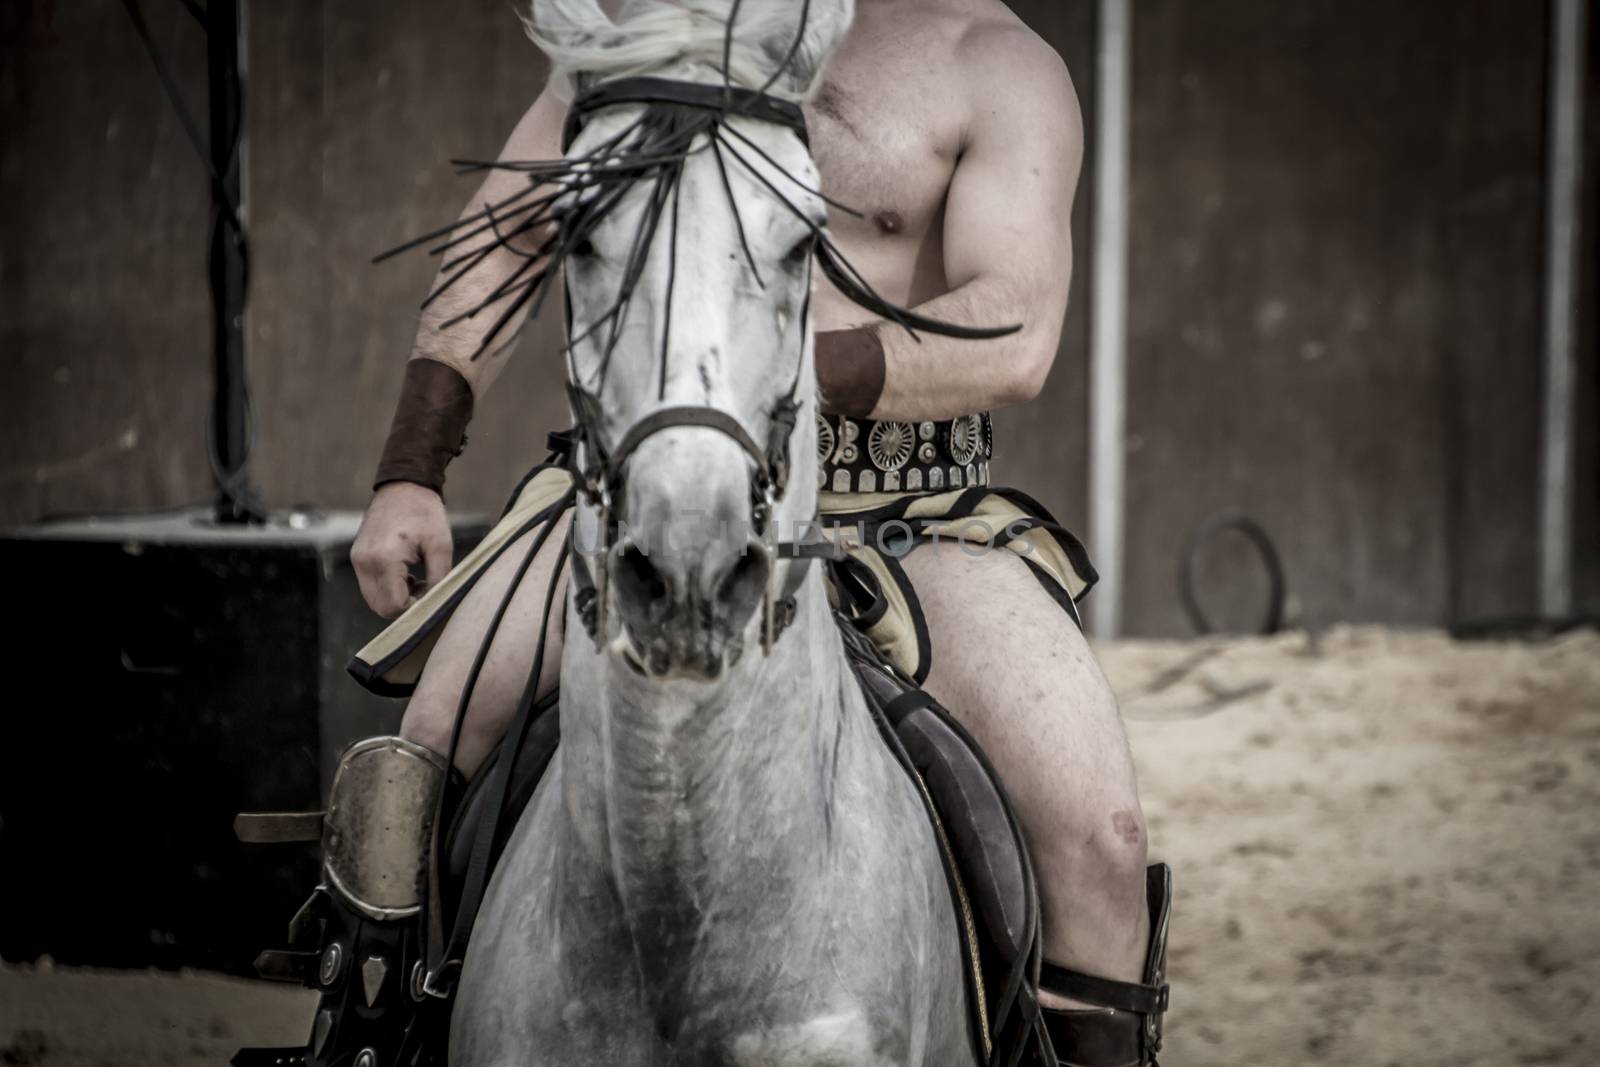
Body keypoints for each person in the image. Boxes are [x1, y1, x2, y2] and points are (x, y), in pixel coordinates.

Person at [257, 2, 1170, 1065]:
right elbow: (505, 235)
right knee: (409, 769)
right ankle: (365, 1037)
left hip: (910, 515)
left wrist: (762, 369)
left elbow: (1012, 329)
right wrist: (411, 467)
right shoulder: (650, 30)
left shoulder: (994, 61)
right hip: (635, 491)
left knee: (1103, 841)